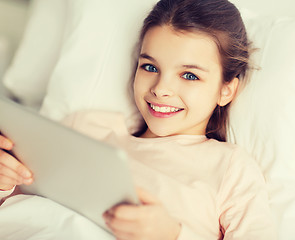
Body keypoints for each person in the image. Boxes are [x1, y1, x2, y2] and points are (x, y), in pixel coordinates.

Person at [0, 0, 276, 239]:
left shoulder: (231, 168)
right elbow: (25, 208)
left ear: (226, 90)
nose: (160, 88)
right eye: (150, 67)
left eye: (189, 75)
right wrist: (4, 183)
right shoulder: (84, 127)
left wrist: (172, 235)